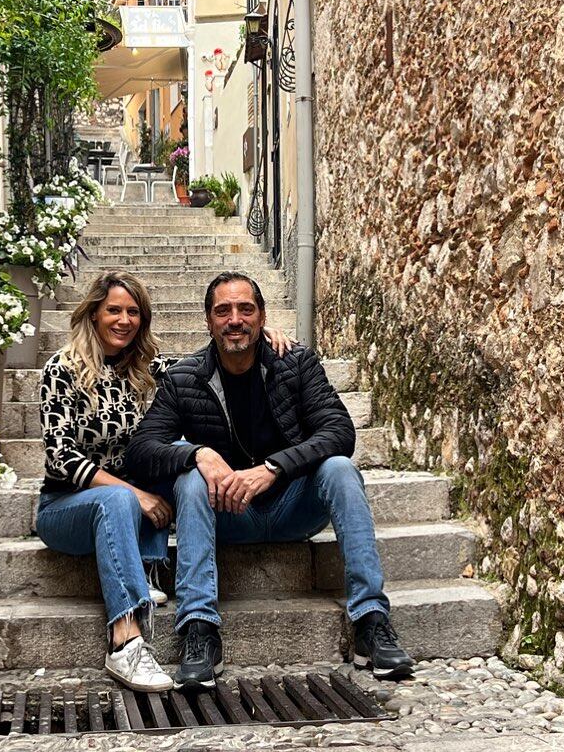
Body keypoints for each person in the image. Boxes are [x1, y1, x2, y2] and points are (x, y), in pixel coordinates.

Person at [125, 271, 415, 691]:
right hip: (227, 513)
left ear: (261, 317)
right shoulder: (184, 378)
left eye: (246, 309)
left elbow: (339, 431)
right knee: (190, 481)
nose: (235, 319)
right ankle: (199, 629)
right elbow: (142, 450)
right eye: (223, 310)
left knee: (340, 469)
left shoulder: (294, 363)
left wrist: (273, 468)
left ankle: (371, 620)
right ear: (208, 321)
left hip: (292, 507)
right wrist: (198, 453)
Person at [37, 270, 293, 692]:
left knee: (171, 455)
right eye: (113, 311)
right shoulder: (60, 370)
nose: (124, 320)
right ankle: (125, 641)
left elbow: (223, 355)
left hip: (134, 510)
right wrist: (133, 493)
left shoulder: (150, 369)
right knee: (119, 499)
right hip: (69, 505)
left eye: (133, 312)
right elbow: (62, 458)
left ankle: (150, 568)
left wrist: (262, 338)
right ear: (94, 315)